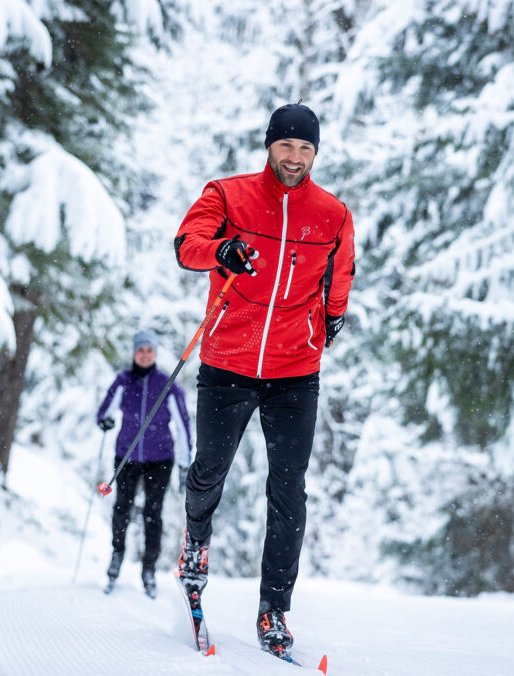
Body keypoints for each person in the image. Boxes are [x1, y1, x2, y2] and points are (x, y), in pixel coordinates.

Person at [172, 103, 355, 654]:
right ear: (269, 145)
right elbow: (187, 244)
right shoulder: (228, 195)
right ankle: (196, 544)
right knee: (209, 470)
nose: (295, 158)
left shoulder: (332, 213)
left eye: (305, 149)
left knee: (288, 492)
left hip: (295, 373)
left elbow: (340, 272)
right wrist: (220, 251)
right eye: (286, 147)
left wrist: (331, 319)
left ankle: (274, 609)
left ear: (314, 154)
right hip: (228, 361)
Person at [96, 329, 192, 598]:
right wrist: (105, 419)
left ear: (155, 353)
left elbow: (184, 426)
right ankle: (117, 555)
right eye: (140, 350)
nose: (145, 354)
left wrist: (185, 461)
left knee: (153, 512)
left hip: (159, 459)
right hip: (126, 456)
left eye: (149, 350)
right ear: (134, 353)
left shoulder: (168, 384)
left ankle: (148, 568)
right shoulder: (124, 380)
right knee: (122, 508)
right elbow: (105, 409)